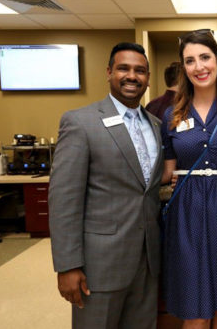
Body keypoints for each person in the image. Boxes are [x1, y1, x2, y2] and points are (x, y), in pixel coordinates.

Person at [49, 42, 163, 328]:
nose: (132, 76)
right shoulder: (81, 122)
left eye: (140, 71)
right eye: (123, 68)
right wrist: (67, 265)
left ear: (148, 78)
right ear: (109, 72)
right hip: (100, 265)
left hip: (147, 262)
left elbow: (146, 188)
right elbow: (64, 199)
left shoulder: (156, 125)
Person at [160, 29, 217, 329]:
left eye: (204, 57)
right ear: (183, 68)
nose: (199, 67)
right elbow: (166, 171)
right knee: (195, 308)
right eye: (190, 60)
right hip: (187, 214)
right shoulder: (171, 114)